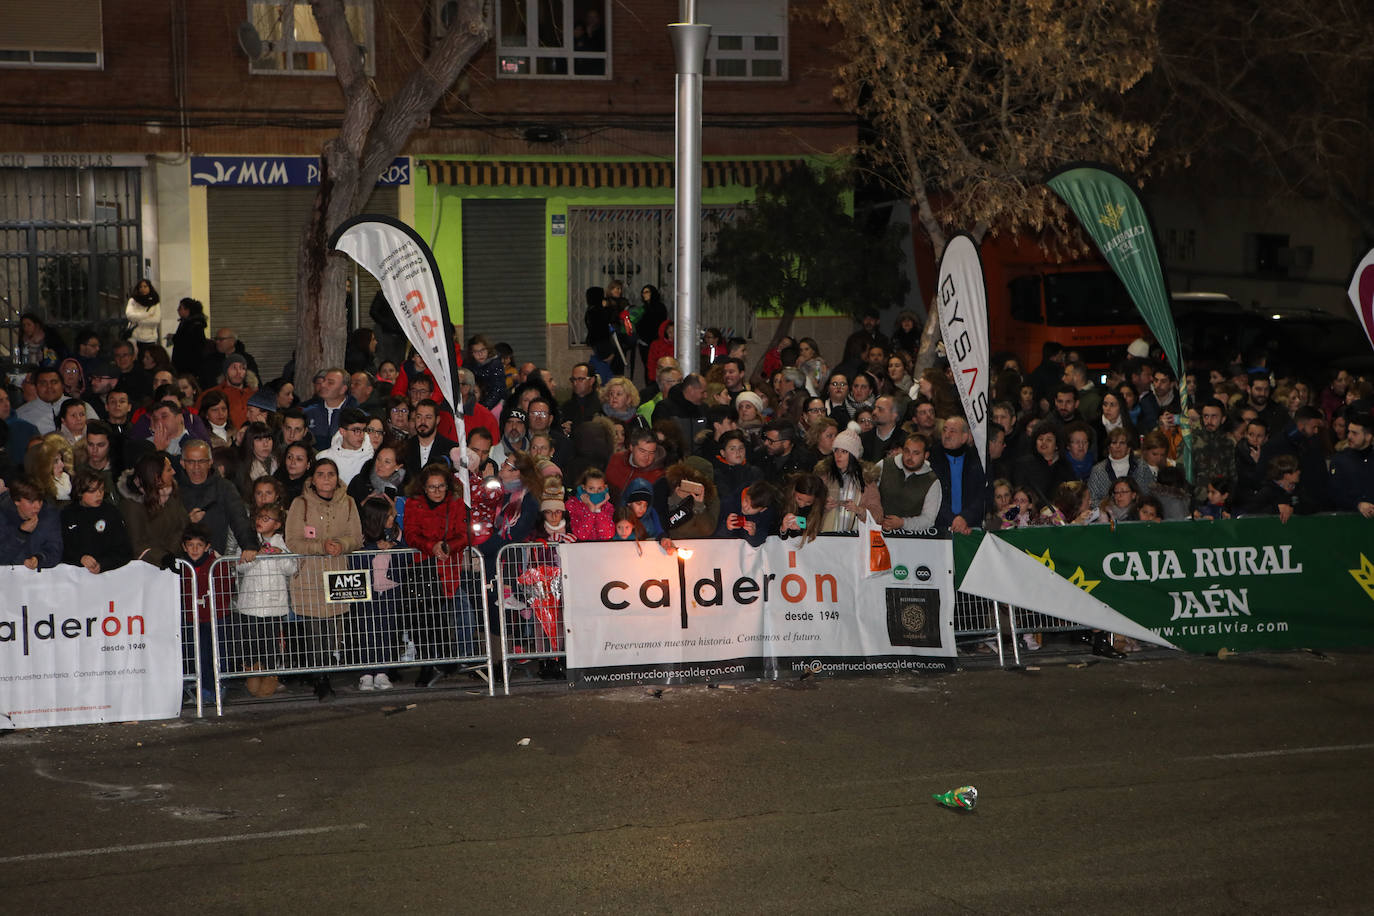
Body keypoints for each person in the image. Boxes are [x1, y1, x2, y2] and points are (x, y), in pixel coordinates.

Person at [285, 458, 362, 683]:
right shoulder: (301, 503)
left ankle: (325, 670)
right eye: (321, 474)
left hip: (338, 574)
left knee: (334, 627)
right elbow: (293, 540)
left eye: (330, 474)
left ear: (337, 478)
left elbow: (356, 537)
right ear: (313, 478)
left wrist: (342, 545)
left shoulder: (348, 502)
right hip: (309, 574)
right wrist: (321, 546)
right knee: (313, 629)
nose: (326, 478)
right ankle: (319, 676)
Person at [403, 463, 476, 673]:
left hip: (448, 568)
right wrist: (430, 547)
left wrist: (447, 546)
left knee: (450, 613)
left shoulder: (456, 504)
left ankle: (454, 657)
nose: (437, 491)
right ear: (424, 488)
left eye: (441, 486)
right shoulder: (413, 504)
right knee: (421, 618)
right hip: (421, 569)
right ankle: (428, 662)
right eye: (432, 487)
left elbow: (464, 534)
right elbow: (410, 533)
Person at [232, 503, 298, 697]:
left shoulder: (282, 542)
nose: (260, 521)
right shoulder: (248, 540)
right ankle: (253, 672)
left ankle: (270, 673)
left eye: (266, 519)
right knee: (252, 639)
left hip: (273, 605)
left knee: (270, 641)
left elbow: (292, 568)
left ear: (277, 524)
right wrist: (252, 556)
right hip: (250, 603)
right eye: (259, 517)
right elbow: (239, 567)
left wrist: (280, 556)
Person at [177, 440, 257, 559]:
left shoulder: (225, 487)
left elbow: (240, 520)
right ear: (182, 463)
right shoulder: (174, 490)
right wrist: (186, 521)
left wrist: (249, 546)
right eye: (191, 462)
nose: (196, 467)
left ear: (210, 462)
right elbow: (166, 529)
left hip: (216, 561)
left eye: (202, 461)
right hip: (182, 562)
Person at [816, 428, 881, 532]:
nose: (838, 455)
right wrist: (823, 507)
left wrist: (860, 511)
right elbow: (808, 509)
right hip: (827, 539)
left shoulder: (867, 480)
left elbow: (878, 516)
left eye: (844, 451)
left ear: (854, 455)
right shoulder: (824, 477)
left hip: (855, 541)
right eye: (836, 450)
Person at [930, 416, 987, 534]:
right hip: (939, 525)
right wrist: (953, 520)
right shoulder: (931, 458)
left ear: (964, 437)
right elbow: (930, 495)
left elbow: (984, 494)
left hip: (971, 526)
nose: (947, 435)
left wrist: (965, 518)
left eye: (953, 431)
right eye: (944, 430)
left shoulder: (979, 459)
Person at [877, 433, 942, 532]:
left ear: (926, 455)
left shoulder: (932, 482)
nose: (910, 457)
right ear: (902, 450)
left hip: (909, 538)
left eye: (916, 453)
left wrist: (903, 523)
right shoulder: (884, 465)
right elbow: (867, 497)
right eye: (907, 451)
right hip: (876, 531)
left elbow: (928, 519)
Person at [0, 477, 62, 568]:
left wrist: (39, 559)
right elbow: (2, 557)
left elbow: (56, 550)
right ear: (17, 501)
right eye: (31, 502)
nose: (37, 507)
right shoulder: (3, 515)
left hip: (39, 577)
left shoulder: (49, 515)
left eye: (40, 501)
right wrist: (20, 534)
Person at [567, 467, 615, 542]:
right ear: (583, 487)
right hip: (579, 549)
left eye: (599, 488)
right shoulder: (573, 504)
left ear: (605, 488)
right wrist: (591, 511)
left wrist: (598, 509)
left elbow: (607, 535)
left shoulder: (607, 506)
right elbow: (581, 535)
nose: (596, 492)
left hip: (602, 549)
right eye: (591, 488)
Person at [171, 297, 208, 375]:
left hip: (189, 364)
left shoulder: (195, 326)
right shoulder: (185, 323)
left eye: (180, 308)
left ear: (187, 310)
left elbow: (187, 342)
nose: (178, 310)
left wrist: (175, 338)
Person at [125, 279, 161, 349]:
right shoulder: (133, 301)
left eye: (145, 286)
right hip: (135, 337)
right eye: (141, 287)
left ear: (149, 288)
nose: (143, 289)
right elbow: (130, 316)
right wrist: (146, 315)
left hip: (150, 338)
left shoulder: (155, 302)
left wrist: (137, 320)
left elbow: (155, 320)